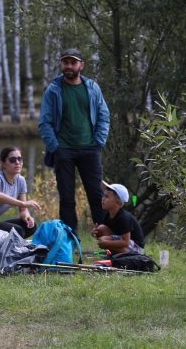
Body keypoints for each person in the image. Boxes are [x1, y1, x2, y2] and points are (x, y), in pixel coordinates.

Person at [38, 48, 110, 237]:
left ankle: (105, 239)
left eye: (73, 62)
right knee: (67, 198)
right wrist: (56, 148)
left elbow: (104, 116)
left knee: (97, 196)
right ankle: (70, 240)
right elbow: (44, 122)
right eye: (65, 62)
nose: (69, 66)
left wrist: (98, 142)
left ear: (81, 65)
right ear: (61, 64)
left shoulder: (92, 88)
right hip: (64, 151)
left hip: (90, 150)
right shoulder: (54, 90)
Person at [90, 181, 144, 254]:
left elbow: (126, 242)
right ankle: (115, 253)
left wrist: (107, 243)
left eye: (107, 197)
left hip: (136, 246)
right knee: (100, 229)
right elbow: (105, 236)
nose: (103, 199)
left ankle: (132, 255)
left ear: (117, 203)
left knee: (106, 240)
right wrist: (95, 233)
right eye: (104, 195)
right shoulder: (108, 215)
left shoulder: (124, 218)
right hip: (122, 240)